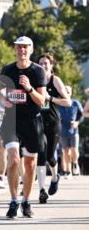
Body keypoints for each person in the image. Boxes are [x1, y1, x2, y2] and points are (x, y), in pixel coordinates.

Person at [0, 36, 47, 219]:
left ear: (31, 50)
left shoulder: (38, 72)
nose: (22, 51)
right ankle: (13, 200)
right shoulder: (7, 70)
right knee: (14, 160)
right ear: (15, 49)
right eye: (19, 47)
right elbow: (0, 93)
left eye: (25, 47)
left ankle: (26, 201)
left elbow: (41, 100)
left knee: (30, 163)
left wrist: (28, 88)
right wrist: (4, 101)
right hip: (11, 120)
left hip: (32, 122)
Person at [35, 54, 71, 202]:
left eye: (46, 63)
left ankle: (55, 177)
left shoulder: (55, 81)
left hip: (54, 122)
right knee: (41, 155)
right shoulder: (35, 80)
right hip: (38, 122)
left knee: (50, 156)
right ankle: (42, 191)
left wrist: (50, 98)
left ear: (51, 66)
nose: (43, 66)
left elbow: (68, 102)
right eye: (40, 64)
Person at [60, 87, 83, 176]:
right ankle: (68, 171)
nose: (66, 93)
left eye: (68, 92)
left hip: (74, 131)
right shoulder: (60, 104)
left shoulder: (75, 103)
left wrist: (77, 122)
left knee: (74, 150)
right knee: (65, 151)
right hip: (63, 131)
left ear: (71, 93)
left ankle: (75, 163)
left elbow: (81, 115)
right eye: (64, 91)